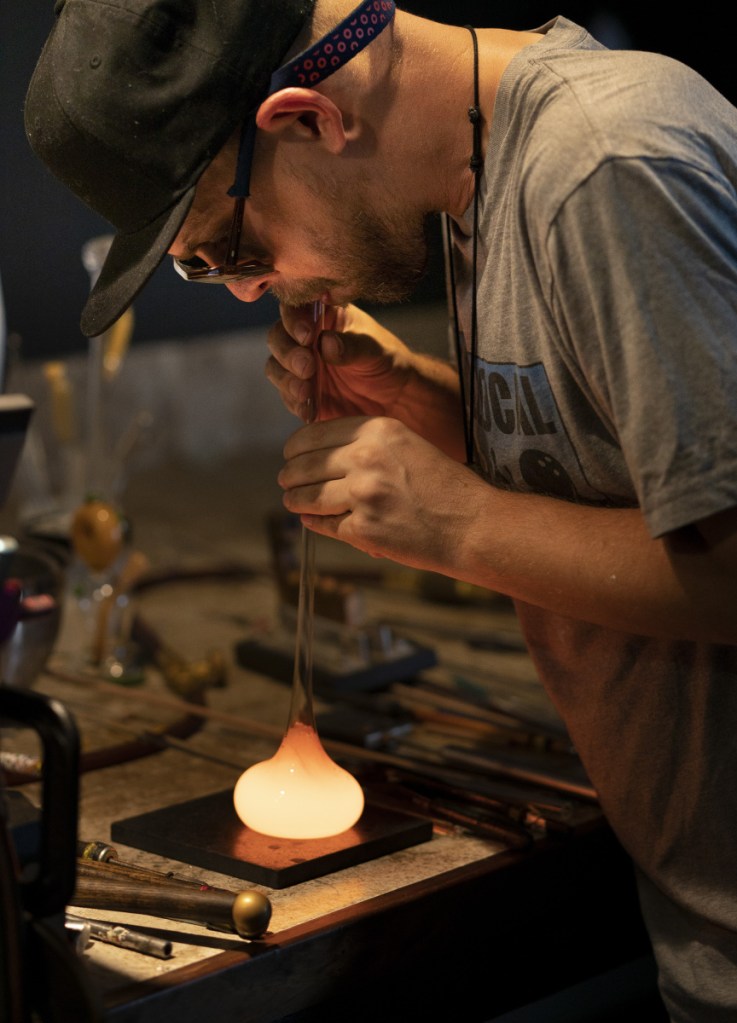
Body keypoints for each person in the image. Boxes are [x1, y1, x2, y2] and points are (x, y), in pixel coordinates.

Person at [24, 1, 737, 1018]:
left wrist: (459, 527)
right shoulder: (491, 175)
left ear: (306, 119)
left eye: (227, 247)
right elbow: (634, 482)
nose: (245, 292)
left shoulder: (604, 162)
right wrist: (419, 399)